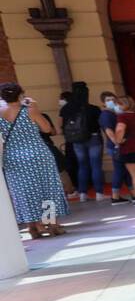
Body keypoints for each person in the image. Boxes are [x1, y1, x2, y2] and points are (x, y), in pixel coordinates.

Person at [1, 82, 70, 237]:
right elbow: (46, 129)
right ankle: (51, 224)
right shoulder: (29, 110)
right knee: (47, 189)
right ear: (20, 94)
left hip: (12, 158)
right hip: (37, 154)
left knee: (23, 192)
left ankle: (33, 227)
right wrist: (34, 107)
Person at [60, 81, 104, 202]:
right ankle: (99, 193)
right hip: (94, 138)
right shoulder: (93, 109)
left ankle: (83, 194)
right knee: (96, 166)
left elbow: (61, 125)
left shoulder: (66, 109)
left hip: (76, 141)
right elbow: (101, 124)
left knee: (82, 166)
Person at [98, 91, 132, 203]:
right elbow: (109, 131)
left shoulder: (115, 113)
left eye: (113, 99)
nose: (111, 102)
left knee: (125, 170)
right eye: (108, 100)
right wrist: (117, 143)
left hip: (119, 145)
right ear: (103, 103)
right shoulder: (106, 115)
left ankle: (133, 193)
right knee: (119, 170)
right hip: (115, 146)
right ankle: (115, 196)